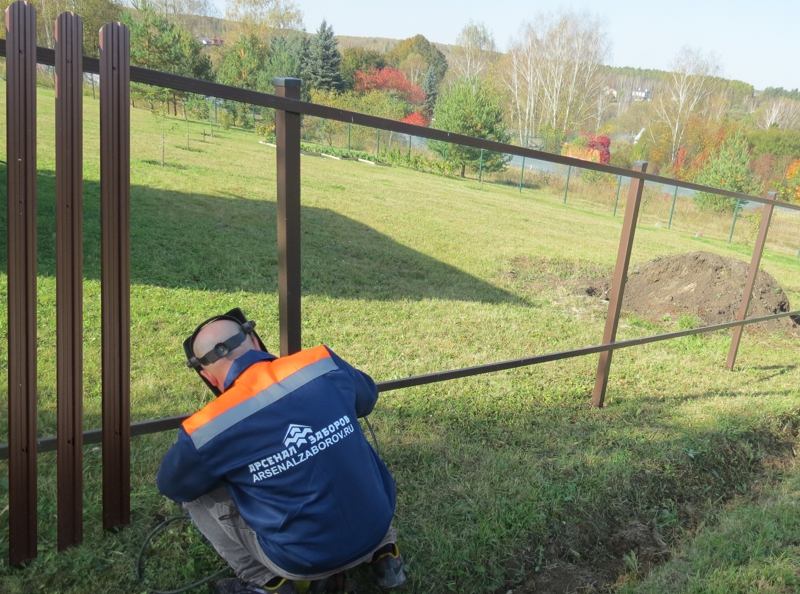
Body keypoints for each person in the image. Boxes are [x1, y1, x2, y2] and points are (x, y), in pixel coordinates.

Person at [157, 309, 406, 594]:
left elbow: (172, 486)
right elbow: (366, 399)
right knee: (341, 441)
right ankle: (385, 551)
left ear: (207, 376)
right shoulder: (321, 362)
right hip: (376, 525)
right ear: (255, 340)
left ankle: (264, 581)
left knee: (195, 496)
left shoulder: (207, 428)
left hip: (302, 560)